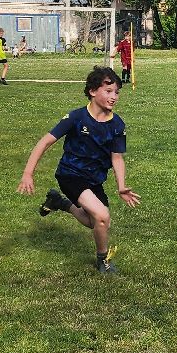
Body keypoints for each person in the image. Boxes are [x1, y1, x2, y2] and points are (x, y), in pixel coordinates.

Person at [18, 66, 139, 273]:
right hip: (71, 174)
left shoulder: (117, 125)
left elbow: (117, 157)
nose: (114, 97)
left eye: (117, 92)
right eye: (108, 91)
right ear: (92, 91)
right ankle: (103, 260)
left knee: (95, 222)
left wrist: (121, 186)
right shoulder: (76, 117)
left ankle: (60, 202)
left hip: (94, 179)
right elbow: (45, 142)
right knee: (102, 216)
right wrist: (28, 173)